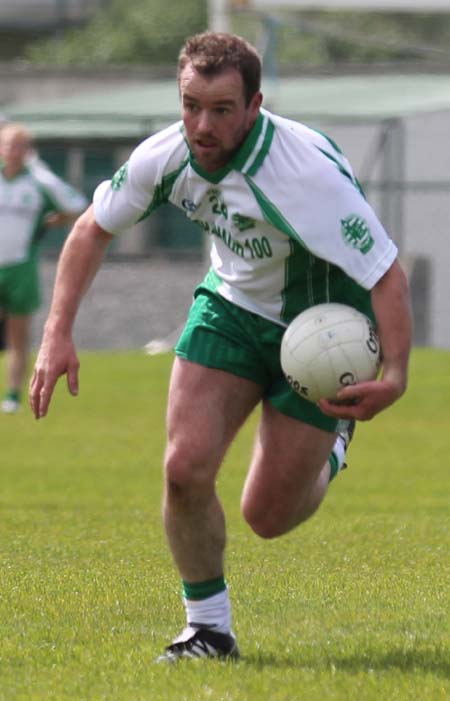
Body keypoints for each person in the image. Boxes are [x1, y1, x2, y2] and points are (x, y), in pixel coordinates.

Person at [29, 33, 412, 661]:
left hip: (319, 327)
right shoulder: (165, 156)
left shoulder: (303, 175)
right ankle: (208, 629)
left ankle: (334, 447)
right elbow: (90, 229)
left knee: (268, 515)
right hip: (230, 309)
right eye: (190, 105)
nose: (202, 125)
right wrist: (57, 333)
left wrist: (393, 374)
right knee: (184, 468)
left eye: (222, 110)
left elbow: (386, 272)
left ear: (254, 105)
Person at [0, 123, 87, 413]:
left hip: (20, 268)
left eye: (19, 146)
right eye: (8, 144)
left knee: (18, 334)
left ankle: (12, 394)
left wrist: (50, 222)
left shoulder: (38, 183)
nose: (12, 151)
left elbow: (76, 205)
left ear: (27, 151)